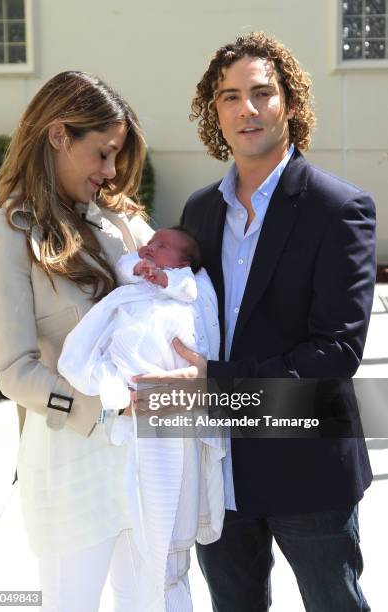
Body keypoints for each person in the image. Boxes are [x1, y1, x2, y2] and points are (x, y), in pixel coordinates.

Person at [135, 32, 376, 611]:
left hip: (307, 461)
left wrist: (217, 382)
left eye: (262, 93)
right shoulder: (200, 210)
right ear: (213, 112)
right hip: (219, 469)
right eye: (229, 96)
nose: (247, 109)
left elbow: (338, 351)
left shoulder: (338, 208)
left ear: (289, 103)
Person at [0, 70, 163, 612]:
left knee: (147, 599)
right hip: (70, 457)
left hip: (141, 452)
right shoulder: (8, 231)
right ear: (59, 135)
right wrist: (101, 408)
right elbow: (15, 370)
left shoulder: (118, 223)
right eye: (103, 154)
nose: (111, 172)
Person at [57, 225, 225, 611]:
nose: (150, 248)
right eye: (150, 243)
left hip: (170, 391)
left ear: (184, 262)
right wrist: (142, 268)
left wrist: (162, 278)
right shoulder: (135, 274)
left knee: (164, 516)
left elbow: (185, 290)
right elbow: (124, 265)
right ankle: (118, 387)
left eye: (163, 246)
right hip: (133, 377)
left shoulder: (184, 282)